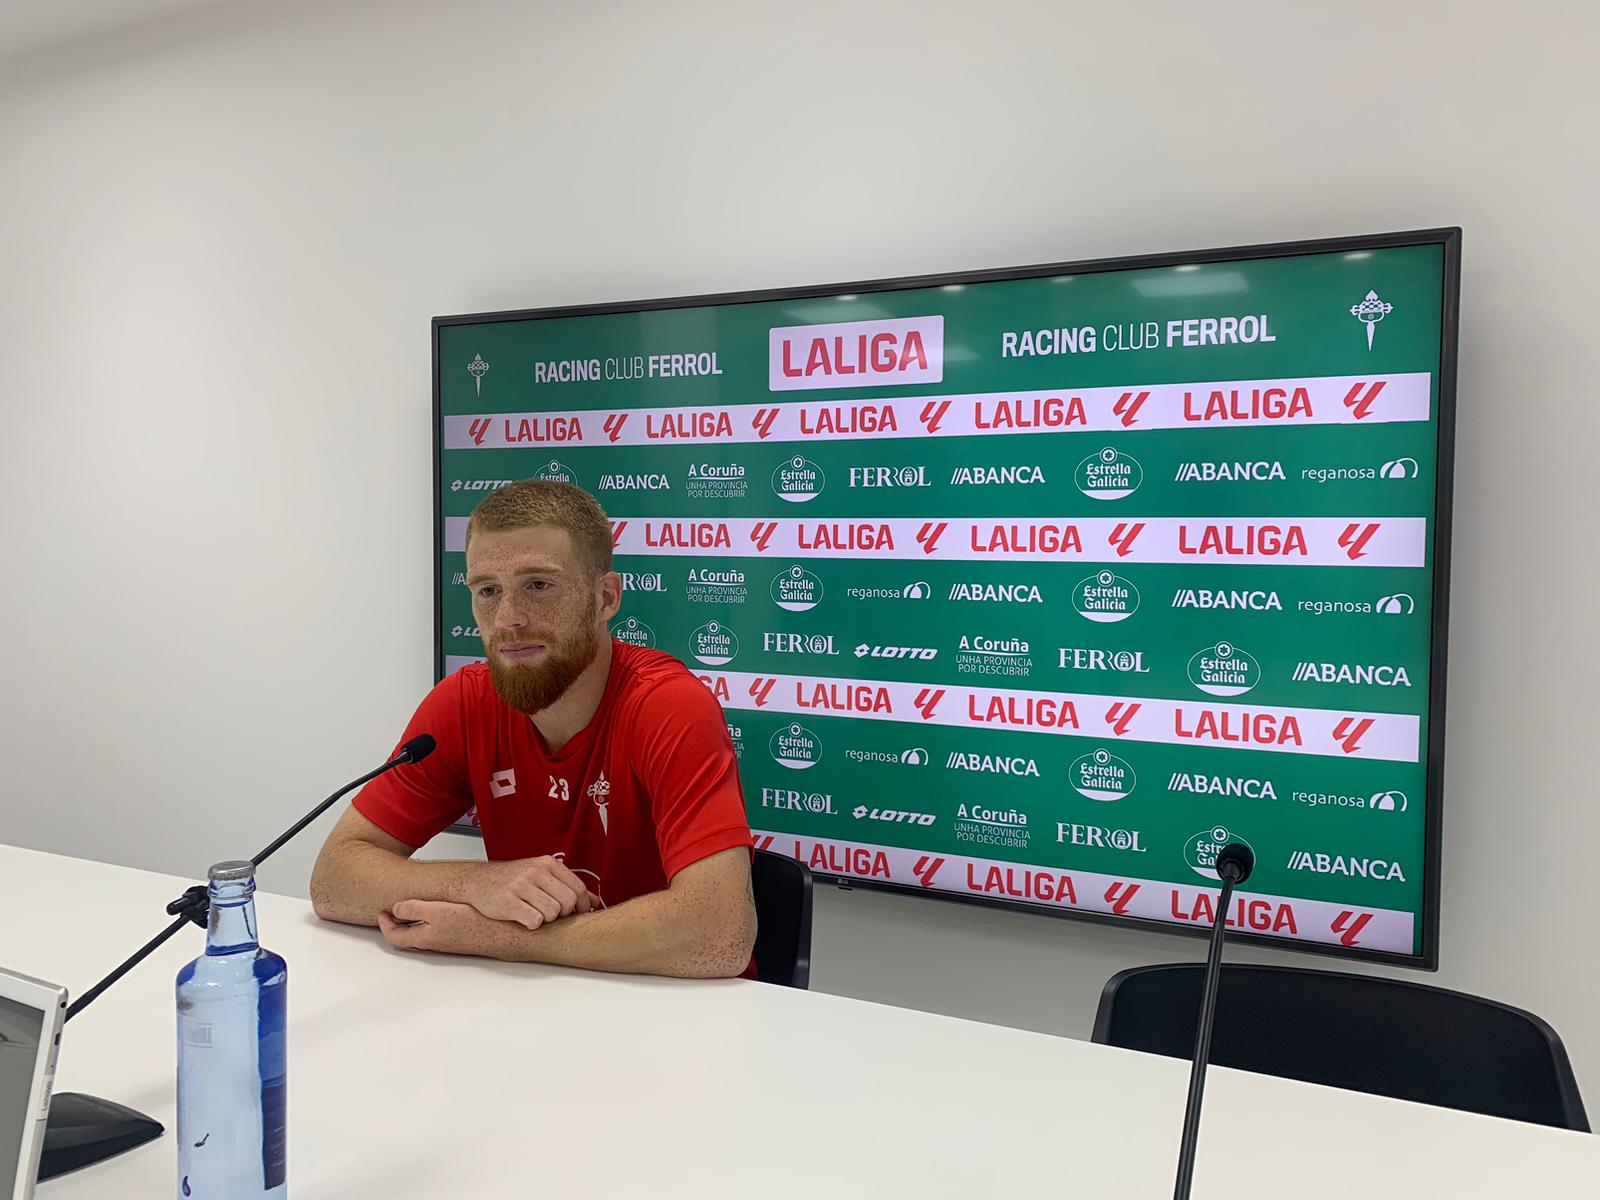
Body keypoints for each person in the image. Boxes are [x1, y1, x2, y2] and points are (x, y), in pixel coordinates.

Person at [309, 480, 757, 978]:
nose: (508, 619)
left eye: (538, 585)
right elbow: (333, 880)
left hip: (680, 1013)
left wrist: (490, 937)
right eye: (487, 591)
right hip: (534, 1004)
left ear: (606, 597)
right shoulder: (463, 701)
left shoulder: (667, 706)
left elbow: (719, 936)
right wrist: (474, 884)